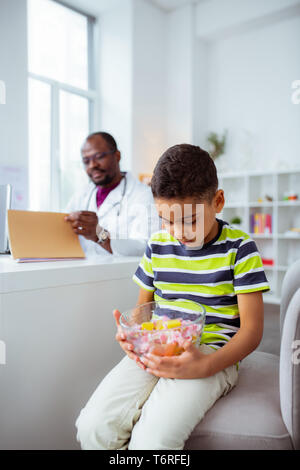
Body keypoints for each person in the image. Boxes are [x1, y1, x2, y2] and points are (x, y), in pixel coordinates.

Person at [75, 144, 270, 450]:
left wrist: (205, 366)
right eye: (166, 220)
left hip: (212, 353)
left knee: (153, 441)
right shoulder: (157, 245)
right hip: (158, 348)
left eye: (189, 220)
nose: (177, 232)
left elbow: (253, 331)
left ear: (217, 201)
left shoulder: (240, 248)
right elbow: (143, 310)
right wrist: (132, 335)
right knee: (92, 428)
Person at [65, 132, 159, 256]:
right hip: (83, 272)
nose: (92, 165)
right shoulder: (81, 195)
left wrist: (99, 233)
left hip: (121, 274)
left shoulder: (143, 195)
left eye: (99, 157)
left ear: (117, 156)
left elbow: (144, 248)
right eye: (86, 161)